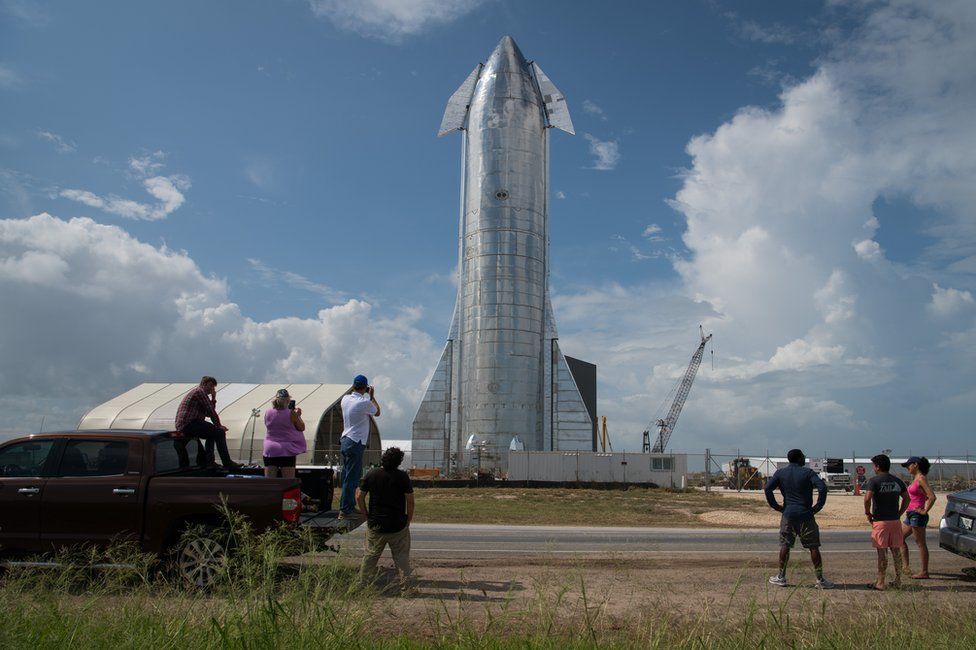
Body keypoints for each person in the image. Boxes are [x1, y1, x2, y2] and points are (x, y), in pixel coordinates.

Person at [763, 448, 833, 588]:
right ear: (799, 458)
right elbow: (822, 488)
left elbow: (767, 489)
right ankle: (820, 580)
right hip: (806, 514)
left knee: (785, 546)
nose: (804, 458)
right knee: (813, 547)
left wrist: (776, 506)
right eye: (803, 456)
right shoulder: (808, 473)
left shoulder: (781, 473)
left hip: (788, 514)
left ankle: (781, 577)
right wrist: (818, 506)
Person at [356, 446, 414, 590]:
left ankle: (362, 585)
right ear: (399, 461)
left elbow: (359, 497)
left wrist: (366, 515)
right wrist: (408, 520)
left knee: (370, 556)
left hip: (376, 523)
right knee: (401, 558)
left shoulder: (371, 474)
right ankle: (406, 587)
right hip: (397, 524)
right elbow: (410, 501)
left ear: (383, 458)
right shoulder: (402, 477)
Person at [864, 453, 909, 590]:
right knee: (896, 551)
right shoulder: (897, 481)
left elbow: (867, 499)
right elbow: (907, 499)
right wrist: (900, 512)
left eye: (874, 466)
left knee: (882, 553)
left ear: (877, 467)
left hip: (880, 521)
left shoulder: (874, 481)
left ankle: (881, 582)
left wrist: (868, 513)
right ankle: (898, 580)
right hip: (895, 521)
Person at [175, 376, 240, 470]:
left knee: (212, 433)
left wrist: (213, 398)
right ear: (204, 384)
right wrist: (219, 426)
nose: (212, 389)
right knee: (219, 432)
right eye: (210, 386)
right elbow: (211, 412)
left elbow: (207, 413)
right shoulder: (200, 392)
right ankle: (227, 462)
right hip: (189, 423)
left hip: (187, 424)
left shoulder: (199, 393)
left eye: (213, 387)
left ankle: (209, 462)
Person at [338, 374, 380, 519]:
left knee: (346, 476)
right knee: (352, 477)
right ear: (365, 387)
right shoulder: (364, 402)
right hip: (355, 442)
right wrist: (372, 396)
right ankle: (345, 509)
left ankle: (346, 505)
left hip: (345, 439)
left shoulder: (345, 399)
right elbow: (377, 411)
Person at [900, 456, 937, 579]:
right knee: (900, 538)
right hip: (911, 514)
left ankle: (924, 572)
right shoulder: (916, 478)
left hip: (917, 515)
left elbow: (932, 496)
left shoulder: (921, 478)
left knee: (920, 543)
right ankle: (905, 568)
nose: (907, 468)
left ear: (915, 465)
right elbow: (922, 495)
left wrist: (924, 510)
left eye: (908, 465)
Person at [263, 388, 306, 479]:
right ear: (288, 400)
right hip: (286, 450)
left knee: (269, 482)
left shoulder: (267, 412)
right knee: (288, 482)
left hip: (270, 449)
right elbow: (301, 427)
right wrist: (298, 416)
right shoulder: (291, 413)